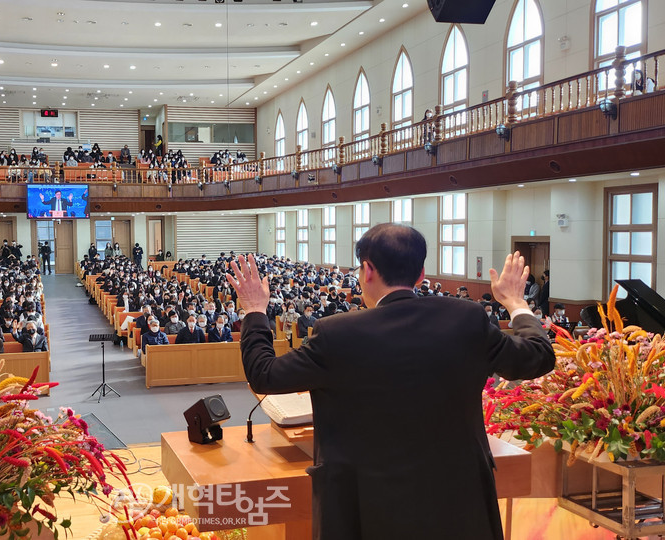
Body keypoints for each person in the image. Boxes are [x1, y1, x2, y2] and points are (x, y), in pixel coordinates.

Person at [227, 224, 555, 540]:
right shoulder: (466, 319)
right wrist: (516, 303)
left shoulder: (336, 333)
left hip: (366, 509)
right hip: (457, 503)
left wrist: (255, 310)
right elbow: (537, 357)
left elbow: (264, 374)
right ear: (421, 274)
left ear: (367, 270)